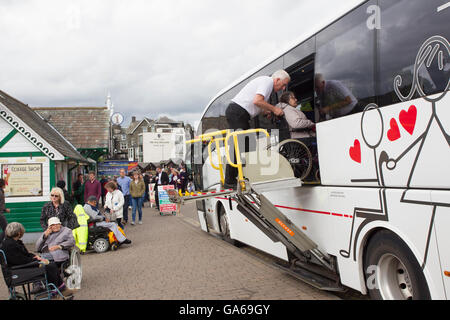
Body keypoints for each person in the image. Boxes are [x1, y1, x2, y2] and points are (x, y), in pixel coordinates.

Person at [224, 70, 290, 188]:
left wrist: (266, 111)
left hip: (239, 113)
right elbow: (257, 101)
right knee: (239, 145)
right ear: (277, 80)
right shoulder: (267, 82)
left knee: (249, 146)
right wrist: (274, 109)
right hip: (238, 112)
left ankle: (243, 176)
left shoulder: (266, 83)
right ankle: (229, 181)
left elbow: (256, 104)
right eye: (284, 84)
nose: (283, 88)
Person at [0, 222, 74, 298]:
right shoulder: (10, 245)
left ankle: (60, 287)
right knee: (50, 266)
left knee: (50, 264)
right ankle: (57, 289)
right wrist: (36, 261)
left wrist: (35, 257)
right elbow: (20, 260)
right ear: (19, 233)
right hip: (20, 270)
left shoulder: (11, 242)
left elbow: (24, 256)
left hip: (19, 267)